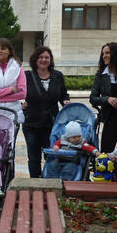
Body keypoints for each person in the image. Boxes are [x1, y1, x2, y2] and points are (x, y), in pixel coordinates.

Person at [22, 46, 70, 178]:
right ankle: (35, 182)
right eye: (41, 57)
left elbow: (63, 94)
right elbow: (18, 93)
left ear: (50, 59)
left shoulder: (57, 76)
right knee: (34, 157)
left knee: (52, 154)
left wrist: (66, 101)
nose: (44, 60)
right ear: (35, 59)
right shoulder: (27, 75)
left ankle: (49, 179)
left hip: (52, 123)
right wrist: (21, 104)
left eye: (47, 57)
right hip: (31, 122)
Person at [0, 38, 27, 123]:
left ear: (9, 51)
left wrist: (0, 98)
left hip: (13, 114)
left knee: (11, 136)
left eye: (3, 48)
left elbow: (22, 93)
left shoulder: (18, 68)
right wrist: (10, 89)